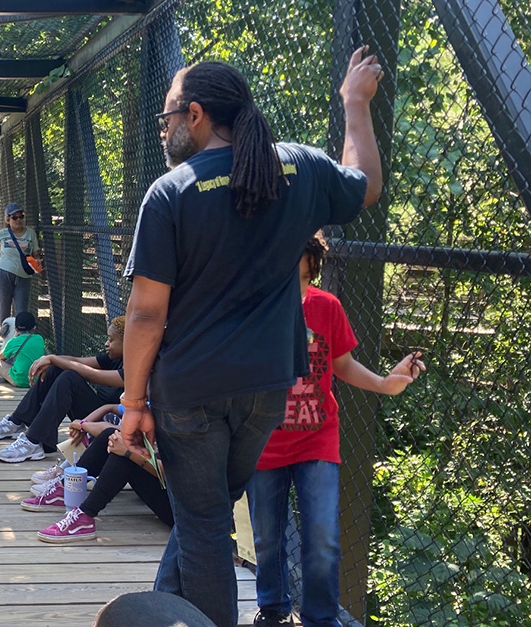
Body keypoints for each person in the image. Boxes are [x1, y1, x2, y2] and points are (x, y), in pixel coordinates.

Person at [117, 48, 385, 626]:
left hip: (188, 392)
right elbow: (364, 185)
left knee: (205, 524)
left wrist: (132, 403)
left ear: (195, 115)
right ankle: (161, 613)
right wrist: (354, 104)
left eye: (166, 118)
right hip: (267, 387)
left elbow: (145, 314)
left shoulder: (173, 192)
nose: (163, 131)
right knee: (204, 514)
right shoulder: (300, 168)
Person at [248, 235, 424, 627]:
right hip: (263, 439)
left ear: (313, 274)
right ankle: (273, 609)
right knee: (266, 536)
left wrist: (383, 382)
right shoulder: (253, 307)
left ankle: (321, 619)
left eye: (305, 279)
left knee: (323, 536)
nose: (297, 289)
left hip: (317, 436)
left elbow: (340, 364)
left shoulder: (326, 307)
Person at [0, 317, 125, 463]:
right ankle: (17, 421)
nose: (106, 344)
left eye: (111, 340)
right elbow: (78, 361)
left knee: (68, 378)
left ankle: (33, 441)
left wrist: (54, 359)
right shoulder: (114, 358)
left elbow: (95, 375)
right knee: (57, 367)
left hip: (111, 426)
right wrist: (50, 359)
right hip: (96, 414)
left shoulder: (135, 371)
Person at [25, 404, 173, 542]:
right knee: (112, 435)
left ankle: (84, 516)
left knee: (126, 455)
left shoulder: (192, 422)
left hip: (183, 512)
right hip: (169, 488)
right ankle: (64, 489)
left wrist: (129, 453)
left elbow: (171, 473)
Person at [0, 203, 40, 322]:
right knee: (4, 310)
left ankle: (19, 338)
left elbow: (36, 253)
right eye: (14, 217)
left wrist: (37, 262)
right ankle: (5, 338)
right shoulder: (3, 233)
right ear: (8, 220)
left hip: (23, 276)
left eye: (21, 217)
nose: (18, 220)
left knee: (21, 311)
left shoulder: (31, 233)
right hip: (4, 273)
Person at [0, 312, 45, 387]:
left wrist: (14, 337)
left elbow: (1, 356)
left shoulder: (13, 342)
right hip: (36, 380)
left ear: (16, 329)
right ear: (34, 328)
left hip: (19, 380)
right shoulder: (39, 339)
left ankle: (5, 377)